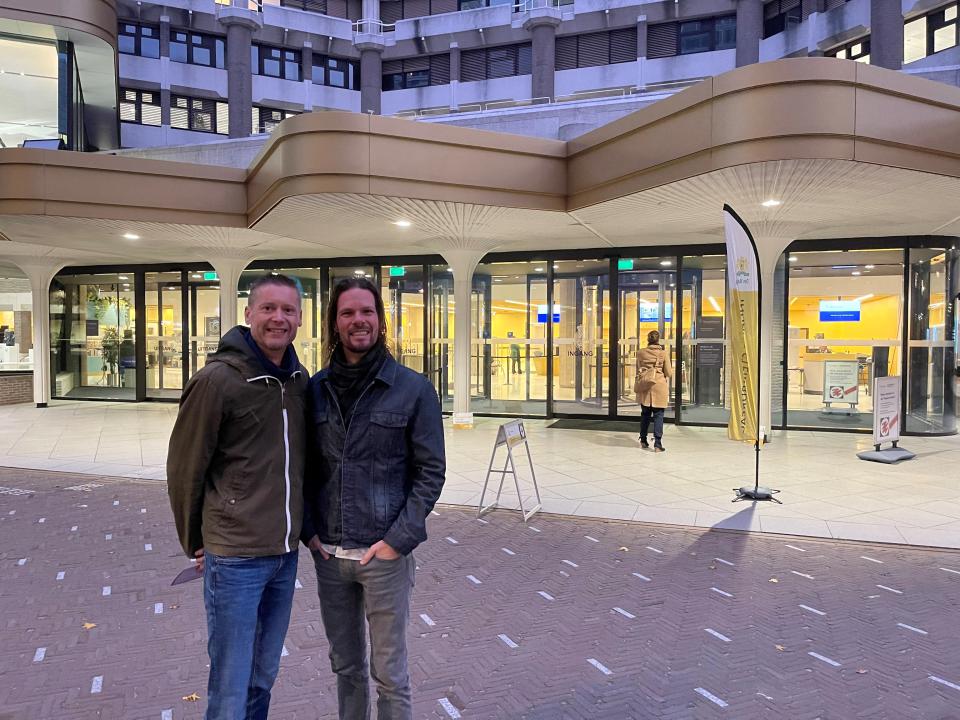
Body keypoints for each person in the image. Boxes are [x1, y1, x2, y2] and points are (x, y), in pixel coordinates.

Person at [303, 277, 445, 720]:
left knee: (390, 674)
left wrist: (397, 541)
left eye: (367, 312)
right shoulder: (316, 389)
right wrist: (309, 533)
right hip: (330, 556)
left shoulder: (413, 389)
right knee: (345, 668)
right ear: (334, 323)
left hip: (384, 556)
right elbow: (305, 468)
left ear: (381, 322)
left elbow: (430, 472)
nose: (358, 321)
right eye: (347, 313)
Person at [167, 273, 308, 720]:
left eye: (288, 310)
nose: (278, 318)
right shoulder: (217, 381)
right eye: (268, 308)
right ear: (248, 314)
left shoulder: (298, 381)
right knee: (230, 685)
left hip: (284, 556)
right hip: (235, 560)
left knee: (263, 676)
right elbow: (185, 468)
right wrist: (197, 541)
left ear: (300, 319)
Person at [635, 329, 672, 452]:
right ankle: (657, 444)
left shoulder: (640, 353)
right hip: (659, 386)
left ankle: (643, 440)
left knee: (645, 414)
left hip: (645, 386)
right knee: (658, 415)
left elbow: (639, 369)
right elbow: (669, 373)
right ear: (658, 340)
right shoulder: (663, 353)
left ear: (648, 340)